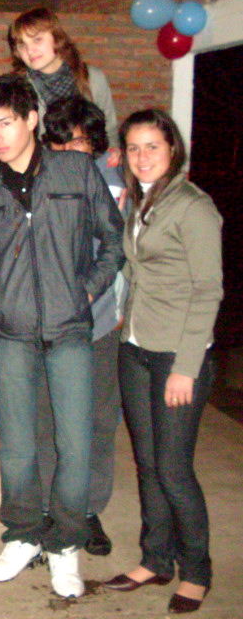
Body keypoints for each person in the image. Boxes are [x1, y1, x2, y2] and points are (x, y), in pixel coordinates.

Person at [0, 75, 123, 598]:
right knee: (16, 446)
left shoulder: (75, 170)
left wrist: (86, 291)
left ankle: (65, 544)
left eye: (6, 123)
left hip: (70, 329)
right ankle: (23, 535)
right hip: (12, 333)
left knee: (74, 443)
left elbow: (113, 239)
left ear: (32, 119)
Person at [104, 109, 222, 615]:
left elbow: (208, 291)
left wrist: (186, 367)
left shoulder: (194, 207)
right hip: (135, 347)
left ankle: (197, 570)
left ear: (173, 149)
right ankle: (156, 559)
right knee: (148, 464)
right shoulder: (141, 201)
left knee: (173, 469)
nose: (142, 156)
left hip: (177, 352)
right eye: (133, 147)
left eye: (152, 145)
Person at [38, 96, 128, 556]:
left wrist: (91, 293)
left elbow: (119, 246)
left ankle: (89, 510)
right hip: (50, 324)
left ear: (95, 143)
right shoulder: (40, 177)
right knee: (47, 420)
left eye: (77, 142)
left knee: (97, 422)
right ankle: (50, 509)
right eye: (60, 142)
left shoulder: (113, 179)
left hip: (99, 322)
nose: (68, 150)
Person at [7, 7, 118, 146]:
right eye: (22, 45)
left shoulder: (92, 77)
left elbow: (109, 130)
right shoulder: (19, 88)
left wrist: (112, 152)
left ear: (57, 38)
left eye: (37, 40)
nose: (30, 51)